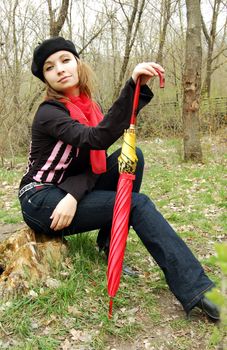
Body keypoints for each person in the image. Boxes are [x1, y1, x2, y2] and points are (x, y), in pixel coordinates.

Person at [19, 36, 219, 321]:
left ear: (77, 62)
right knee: (136, 204)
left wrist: (73, 195)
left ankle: (109, 245)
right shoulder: (49, 113)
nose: (60, 69)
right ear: (46, 79)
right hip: (40, 198)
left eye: (65, 60)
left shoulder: (88, 106)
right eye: (50, 67)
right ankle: (199, 291)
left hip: (65, 191)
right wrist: (130, 85)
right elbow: (97, 138)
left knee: (132, 155)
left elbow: (94, 166)